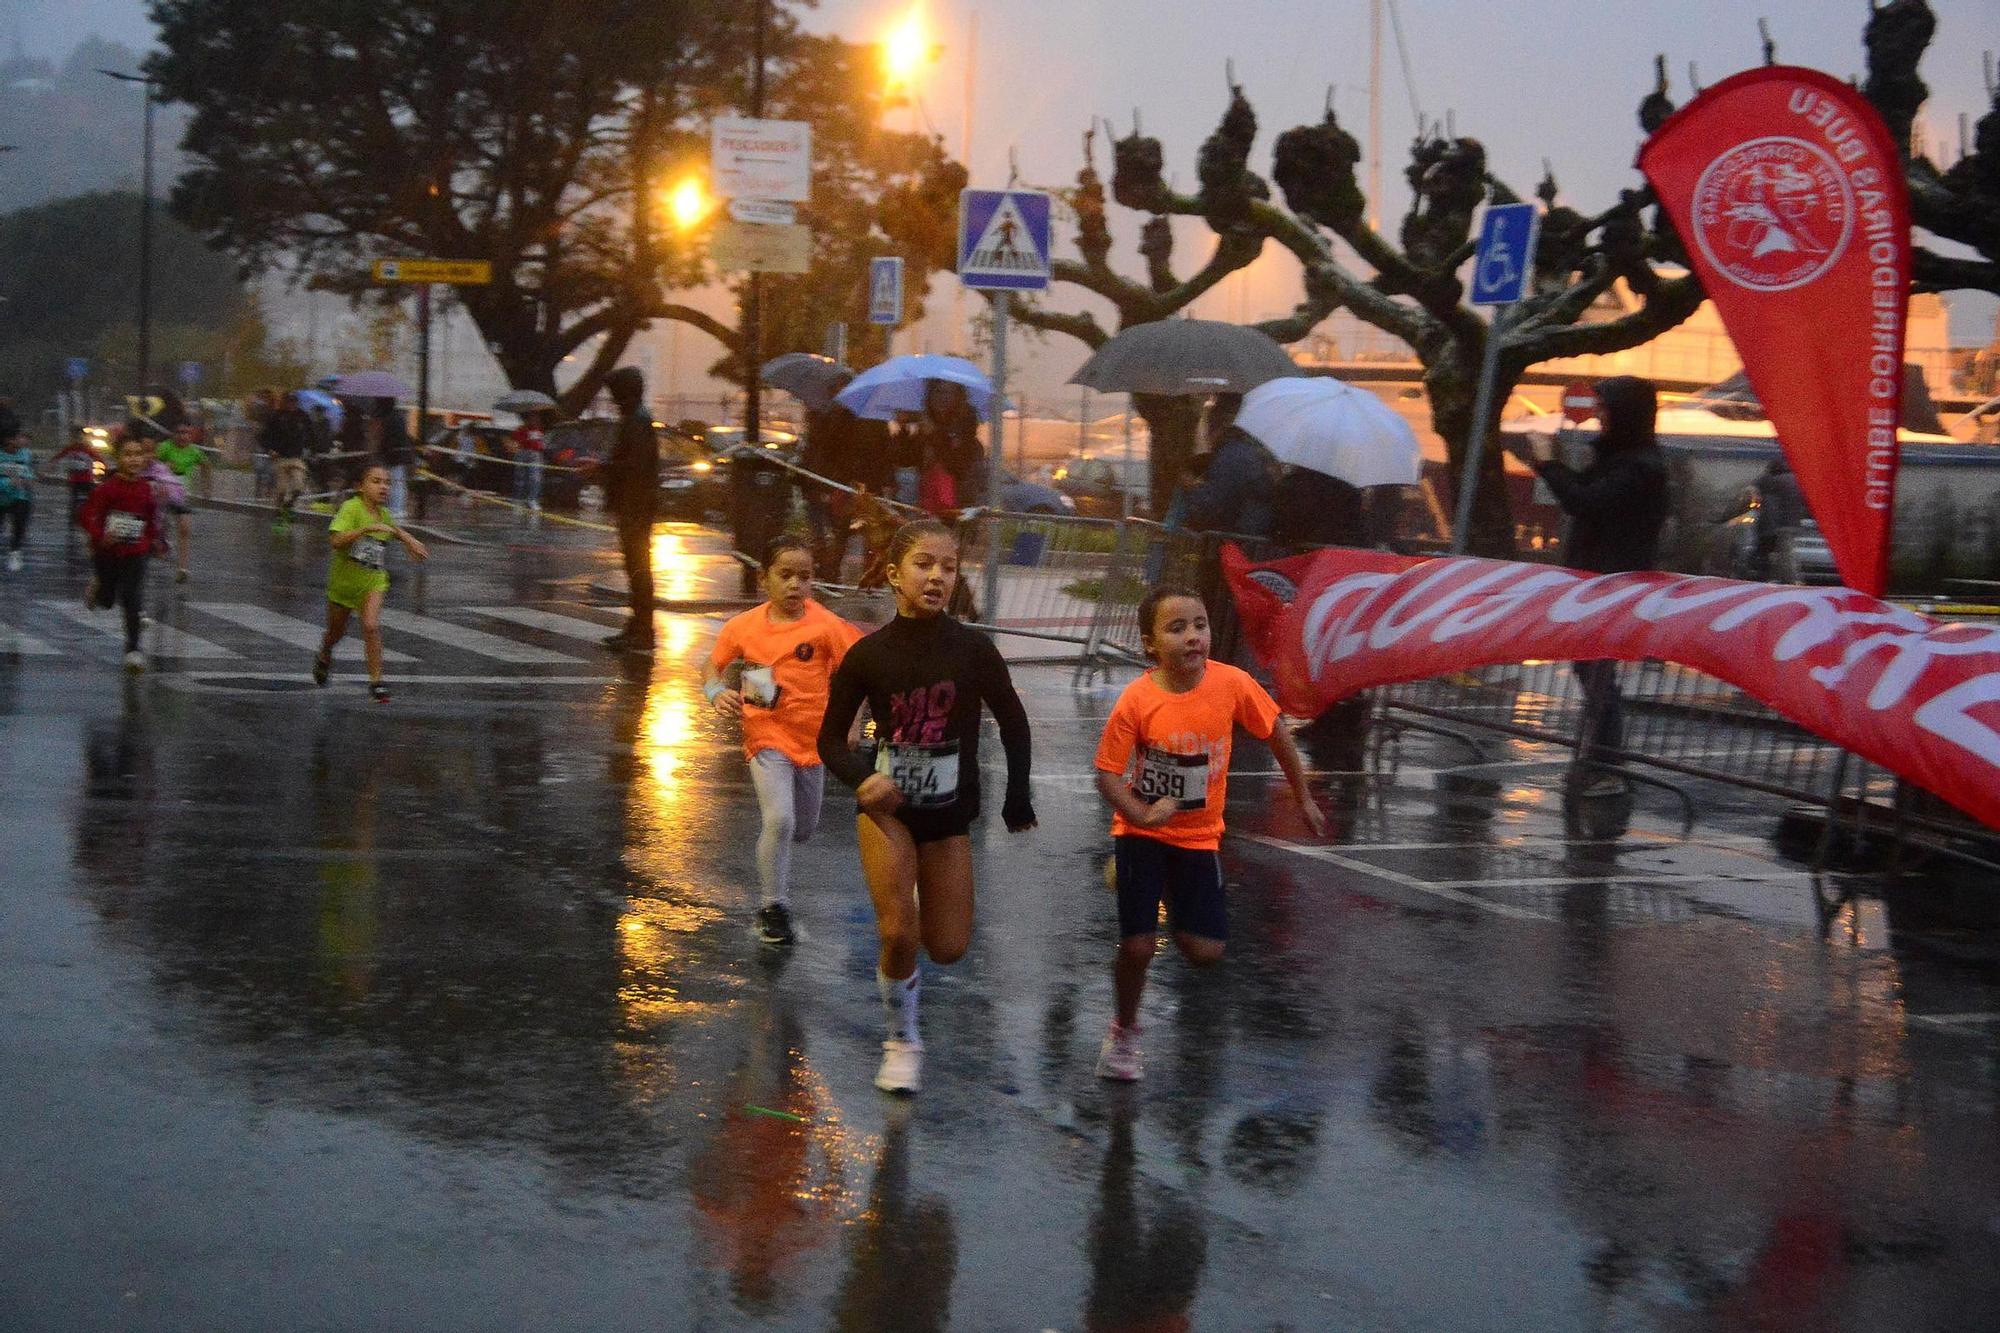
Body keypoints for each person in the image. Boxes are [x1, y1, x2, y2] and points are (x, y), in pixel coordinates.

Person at [815, 518, 1036, 1094]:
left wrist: (1018, 796)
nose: (937, 576)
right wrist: (863, 779)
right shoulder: (869, 655)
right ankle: (902, 1040)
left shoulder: (973, 650)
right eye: (923, 564)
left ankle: (913, 899)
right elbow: (830, 741)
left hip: (947, 815)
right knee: (897, 934)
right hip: (888, 811)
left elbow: (1014, 722)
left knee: (948, 947)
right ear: (894, 575)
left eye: (949, 567)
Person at [1090, 584, 1325, 1081]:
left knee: (1206, 952)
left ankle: (1168, 890)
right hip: (1142, 834)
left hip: (1198, 837)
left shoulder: (1232, 684)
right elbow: (1107, 774)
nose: (1193, 636)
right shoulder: (1137, 699)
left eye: (1200, 625)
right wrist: (1140, 813)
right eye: (1177, 629)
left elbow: (1277, 732)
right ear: (1151, 644)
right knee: (1138, 946)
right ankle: (1123, 1031)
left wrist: (1302, 795)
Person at [703, 536, 863, 945]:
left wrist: (853, 721)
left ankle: (775, 857)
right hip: (765, 734)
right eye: (785, 575)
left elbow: (857, 672)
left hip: (813, 741)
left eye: (804, 577)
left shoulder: (826, 626)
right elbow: (713, 664)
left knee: (802, 828)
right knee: (780, 820)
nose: (795, 584)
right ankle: (772, 906)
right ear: (764, 579)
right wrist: (715, 691)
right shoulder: (743, 626)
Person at [1519, 375, 1669, 797]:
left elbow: (1585, 501)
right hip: (1599, 582)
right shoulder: (1623, 460)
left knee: (1597, 674)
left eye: (1605, 408)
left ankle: (1606, 766)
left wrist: (1548, 463)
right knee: (1592, 672)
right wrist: (1553, 465)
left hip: (1612, 584)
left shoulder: (1639, 467)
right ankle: (1597, 761)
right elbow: (1585, 493)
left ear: (1625, 413)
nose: (1598, 415)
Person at [312, 463, 430, 702]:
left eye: (387, 482)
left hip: (373, 582)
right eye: (376, 481)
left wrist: (410, 541)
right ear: (361, 486)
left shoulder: (384, 514)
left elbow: (393, 530)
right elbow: (335, 540)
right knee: (335, 633)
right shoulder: (351, 508)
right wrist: (365, 529)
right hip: (344, 584)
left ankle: (377, 682)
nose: (383, 487)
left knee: (371, 626)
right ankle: (325, 653)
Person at [77, 435, 164, 672]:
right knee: (107, 601)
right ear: (118, 458)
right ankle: (97, 587)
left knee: (131, 596)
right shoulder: (108, 489)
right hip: (107, 553)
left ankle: (133, 650)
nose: (134, 459)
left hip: (136, 551)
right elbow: (86, 516)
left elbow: (151, 518)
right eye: (128, 454)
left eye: (138, 454)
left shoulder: (146, 488)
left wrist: (156, 541)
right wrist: (100, 536)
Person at [601, 366, 658, 653]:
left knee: (638, 569)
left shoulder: (637, 422)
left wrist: (602, 468)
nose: (613, 400)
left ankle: (643, 630)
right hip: (634, 505)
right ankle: (637, 627)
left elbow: (634, 466)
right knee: (635, 568)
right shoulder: (636, 419)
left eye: (615, 394)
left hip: (636, 506)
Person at [1180, 394, 1278, 539]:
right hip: (1253, 534)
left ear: (1217, 428)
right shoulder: (1251, 450)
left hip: (1239, 539)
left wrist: (1191, 486)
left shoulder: (1231, 456)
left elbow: (1211, 505)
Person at [155, 423, 209, 582]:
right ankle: (162, 541)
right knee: (159, 523)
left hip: (181, 495)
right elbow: (151, 464)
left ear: (191, 436)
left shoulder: (194, 451)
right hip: (162, 493)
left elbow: (206, 466)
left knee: (185, 528)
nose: (182, 436)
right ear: (173, 434)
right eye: (179, 433)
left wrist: (206, 487)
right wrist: (163, 467)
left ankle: (182, 569)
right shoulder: (165, 448)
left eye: (186, 433)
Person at [260, 390, 314, 520]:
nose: (291, 404)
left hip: (296, 457)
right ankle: (278, 510)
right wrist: (269, 449)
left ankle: (289, 505)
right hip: (280, 457)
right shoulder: (276, 416)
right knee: (282, 488)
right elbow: (263, 436)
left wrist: (310, 449)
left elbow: (311, 434)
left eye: (294, 401)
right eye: (289, 401)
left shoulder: (303, 417)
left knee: (298, 486)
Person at [46, 427, 101, 523]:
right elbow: (59, 455)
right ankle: (73, 519)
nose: (79, 440)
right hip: (75, 479)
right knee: (74, 499)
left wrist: (103, 470)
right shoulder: (71, 448)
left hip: (86, 478)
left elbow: (98, 458)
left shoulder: (87, 449)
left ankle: (88, 515)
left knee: (90, 497)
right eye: (77, 437)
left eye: (81, 437)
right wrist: (51, 463)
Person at [0, 424, 33, 572]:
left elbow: (28, 471)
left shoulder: (25, 454)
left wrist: (28, 479)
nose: (22, 440)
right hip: (2, 496)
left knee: (20, 521)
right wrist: (8, 483)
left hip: (20, 496)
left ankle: (15, 552)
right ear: (8, 440)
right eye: (18, 438)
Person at [510, 408, 548, 511]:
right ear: (527, 419)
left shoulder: (539, 430)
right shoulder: (521, 429)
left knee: (535, 478)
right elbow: (515, 440)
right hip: (523, 453)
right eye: (532, 418)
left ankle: (532, 500)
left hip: (536, 455)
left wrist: (541, 445)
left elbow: (542, 443)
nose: (535, 420)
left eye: (536, 418)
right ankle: (518, 500)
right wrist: (526, 438)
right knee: (520, 479)